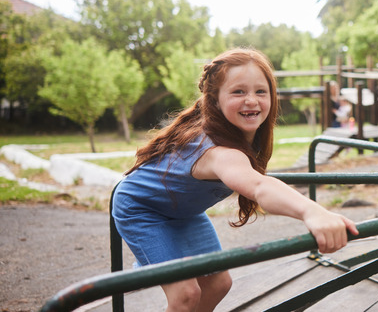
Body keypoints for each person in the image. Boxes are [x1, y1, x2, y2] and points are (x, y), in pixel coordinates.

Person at [112, 48, 358, 312]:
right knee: (185, 294)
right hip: (142, 210)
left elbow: (258, 181)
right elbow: (260, 186)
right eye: (238, 92)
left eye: (260, 91)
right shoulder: (218, 153)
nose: (251, 100)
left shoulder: (239, 138)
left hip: (184, 212)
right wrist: (312, 211)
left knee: (218, 284)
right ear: (215, 100)